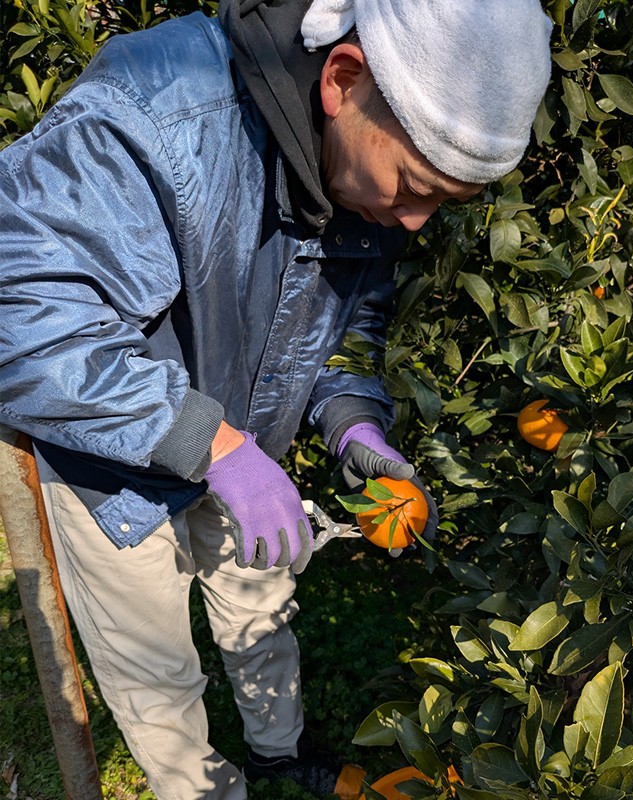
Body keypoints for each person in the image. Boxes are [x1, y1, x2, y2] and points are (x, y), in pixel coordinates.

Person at [0, 0, 552, 797]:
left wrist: (353, 421)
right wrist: (211, 443)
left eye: (443, 203)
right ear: (343, 79)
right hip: (111, 474)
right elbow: (23, 324)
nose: (414, 221)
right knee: (157, 677)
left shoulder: (366, 175)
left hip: (250, 452)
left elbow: (348, 328)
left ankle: (279, 755)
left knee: (263, 614)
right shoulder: (154, 112)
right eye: (413, 187)